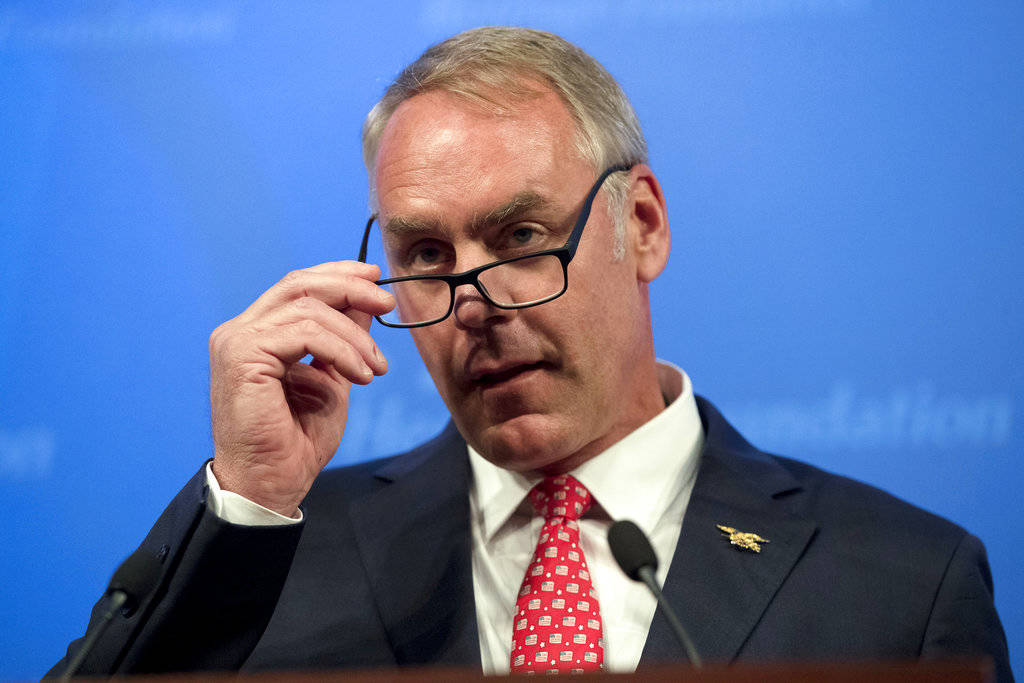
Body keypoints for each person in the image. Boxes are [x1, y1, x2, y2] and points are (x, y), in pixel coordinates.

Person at [52, 27, 1012, 680]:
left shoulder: (903, 581)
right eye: (425, 256)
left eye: (519, 236)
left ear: (641, 225)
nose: (472, 302)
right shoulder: (274, 556)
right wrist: (249, 498)